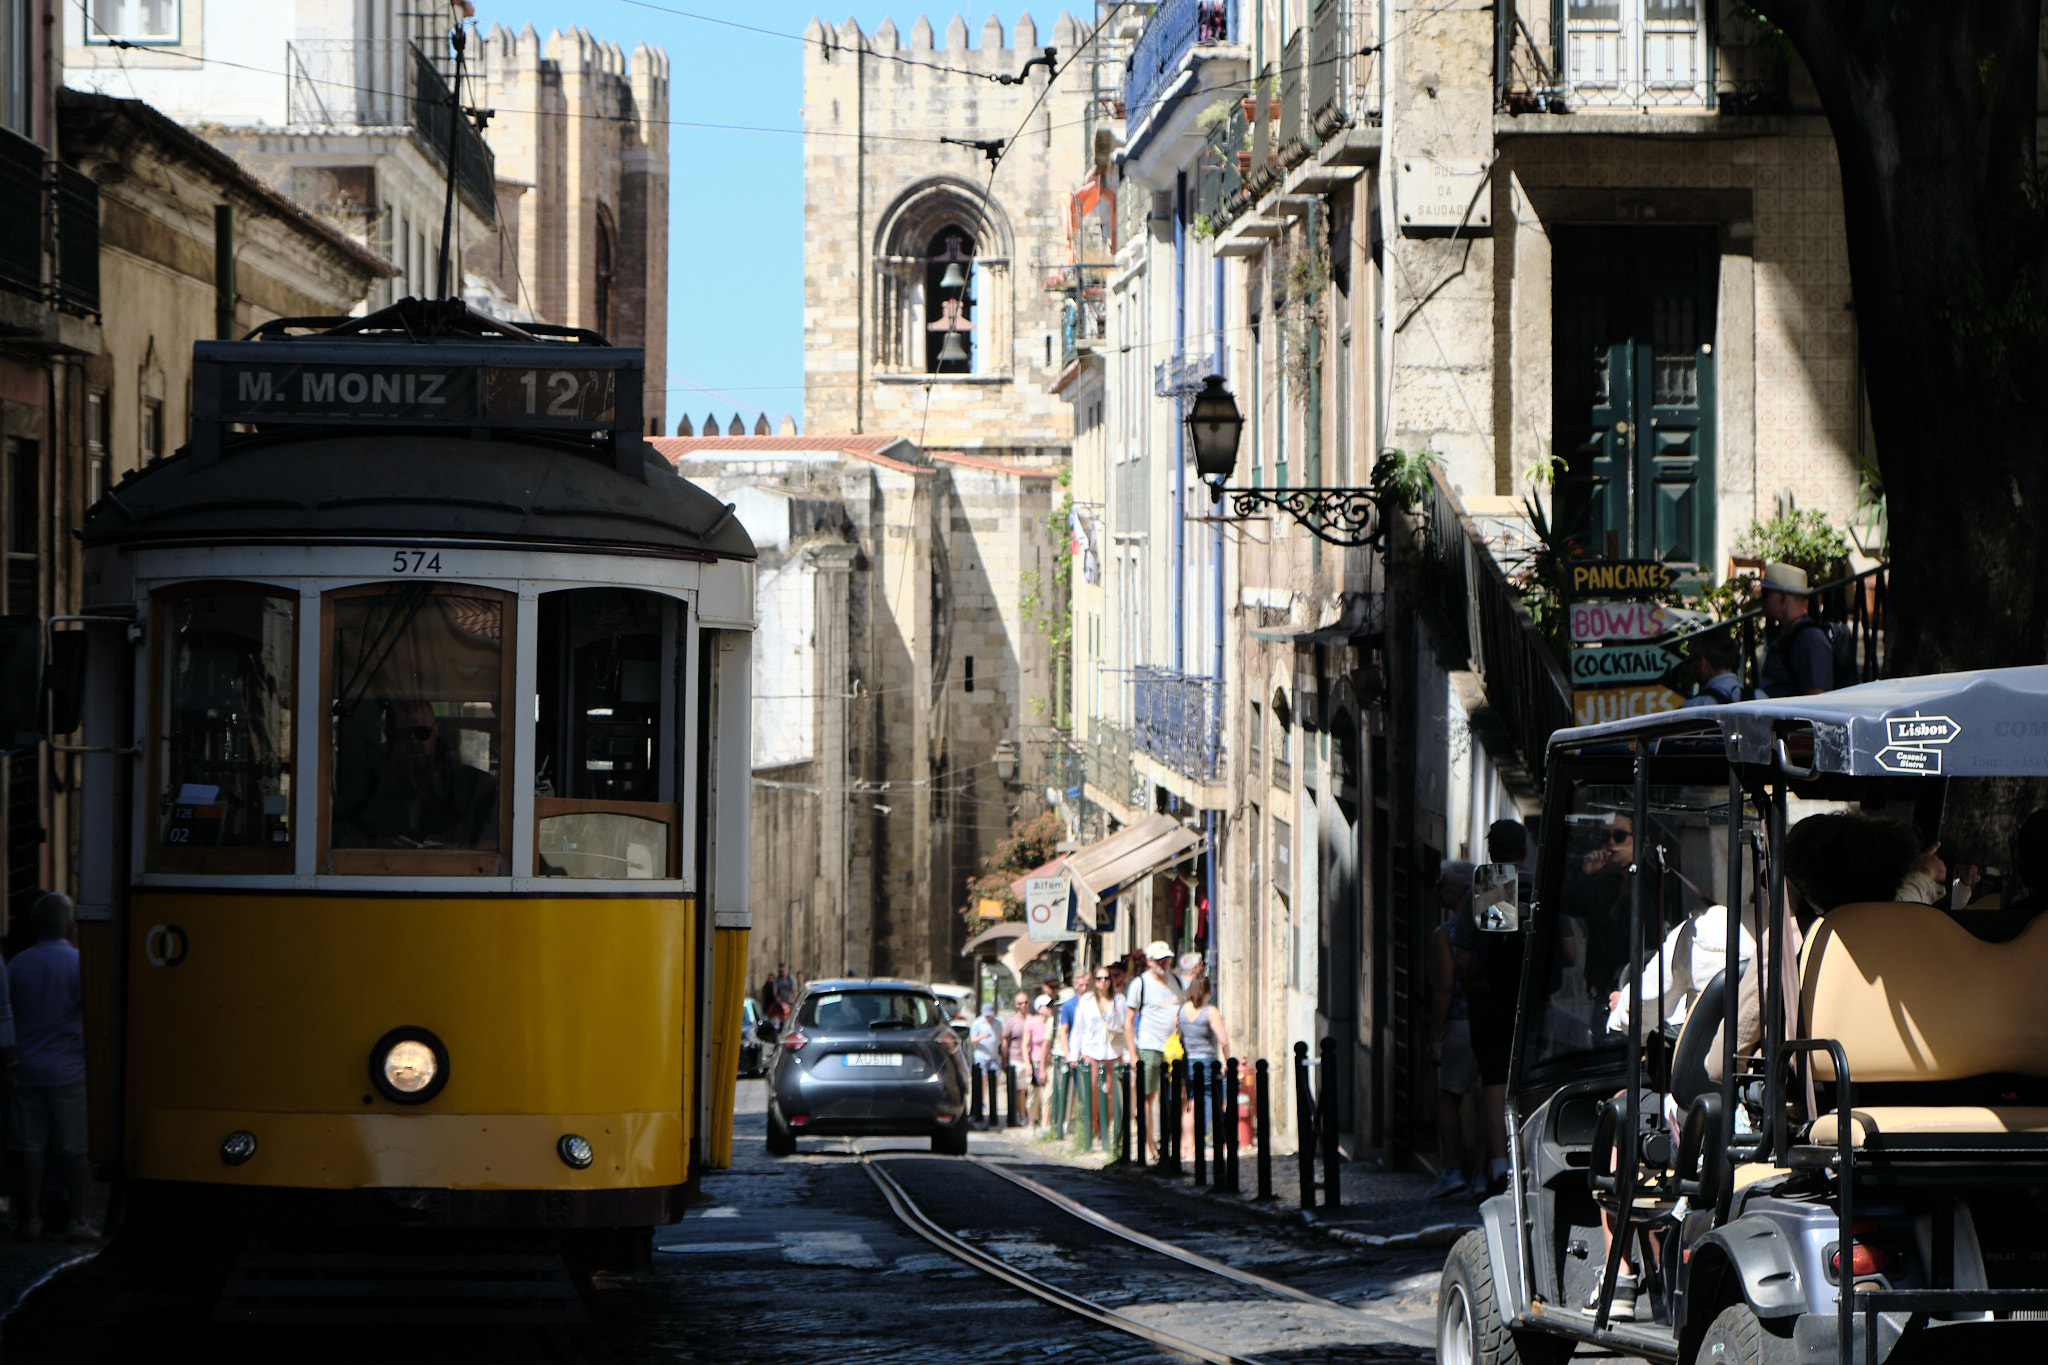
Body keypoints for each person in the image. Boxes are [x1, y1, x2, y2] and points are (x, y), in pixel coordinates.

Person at [1454, 819, 1534, 1198]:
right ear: (1525, 849)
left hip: (1490, 1001)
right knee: (1532, 1078)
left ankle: (1503, 1166)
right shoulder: (1539, 883)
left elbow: (1462, 956)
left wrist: (1474, 990)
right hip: (1532, 1001)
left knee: (1493, 1083)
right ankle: (1532, 1156)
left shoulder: (1488, 886)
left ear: (1491, 851)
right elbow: (1567, 954)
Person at [9, 893, 93, 1243]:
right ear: (70, 925)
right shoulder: (76, 963)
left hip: (26, 1067)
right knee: (72, 1148)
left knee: (30, 1147)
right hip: (68, 1071)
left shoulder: (17, 964)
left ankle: (31, 1218)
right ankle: (77, 1219)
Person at [335, 700, 498, 849]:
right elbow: (341, 838)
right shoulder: (367, 789)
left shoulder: (474, 786)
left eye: (422, 732)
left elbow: (497, 846)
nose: (413, 741)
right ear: (388, 735)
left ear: (436, 732)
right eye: (403, 734)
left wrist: (455, 850)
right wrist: (376, 845)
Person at [1429, 860, 1478, 1199]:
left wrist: (1435, 1033)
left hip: (1460, 1023)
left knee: (1450, 1096)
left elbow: (1445, 984)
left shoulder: (1446, 933)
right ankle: (1484, 1170)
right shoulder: (1488, 925)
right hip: (1491, 1020)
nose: (1437, 889)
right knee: (1485, 1096)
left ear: (1458, 889)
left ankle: (1452, 1170)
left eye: (1442, 883)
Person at [1126, 942, 1185, 1162]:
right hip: (1149, 1046)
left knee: (1179, 1095)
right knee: (1148, 1097)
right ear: (1149, 961)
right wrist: (1133, 1053)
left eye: (1167, 958)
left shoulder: (1177, 982)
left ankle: (1172, 1142)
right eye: (1160, 959)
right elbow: (1129, 1020)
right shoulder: (1139, 984)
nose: (1164, 963)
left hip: (1173, 1048)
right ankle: (1150, 1146)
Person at [1069, 966, 1129, 1156]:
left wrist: (1128, 1050)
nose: (1103, 981)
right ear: (1094, 981)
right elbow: (1078, 1028)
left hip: (1113, 1050)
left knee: (1111, 1093)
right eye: (1099, 978)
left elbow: (1125, 1026)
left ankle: (1107, 1130)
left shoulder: (1119, 1000)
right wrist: (1073, 1054)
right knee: (1092, 1090)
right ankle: (1094, 1127)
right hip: (1091, 1050)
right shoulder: (1086, 1000)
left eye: (1106, 978)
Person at [1757, 561, 1834, 698]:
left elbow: (1815, 697)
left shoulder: (1810, 639)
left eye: (1766, 593)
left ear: (1784, 597)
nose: (1762, 600)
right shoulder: (1787, 633)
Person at [1176, 976, 1231, 1160]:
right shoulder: (1210, 1011)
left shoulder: (1182, 1011)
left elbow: (1181, 1035)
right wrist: (1228, 1060)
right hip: (1207, 1060)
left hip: (1190, 1061)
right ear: (1209, 992)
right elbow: (1223, 1039)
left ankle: (1189, 1146)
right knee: (1216, 1100)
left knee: (1191, 1103)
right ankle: (1221, 1143)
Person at [1679, 631, 1745, 707]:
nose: (1691, 667)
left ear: (1703, 663)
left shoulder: (1694, 706)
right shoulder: (1757, 696)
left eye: (1690, 662)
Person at [968, 1001, 1002, 1128]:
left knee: (994, 1079)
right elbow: (972, 1040)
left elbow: (1000, 1037)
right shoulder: (977, 1023)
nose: (989, 1017)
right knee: (982, 1079)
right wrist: (981, 1037)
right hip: (981, 1056)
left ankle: (993, 1107)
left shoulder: (998, 1023)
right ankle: (980, 1103)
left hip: (994, 1056)